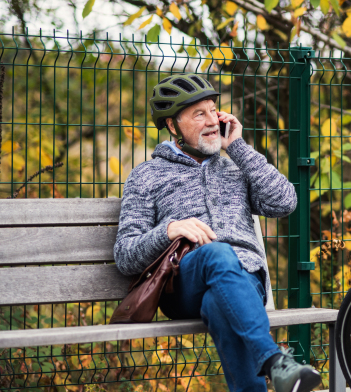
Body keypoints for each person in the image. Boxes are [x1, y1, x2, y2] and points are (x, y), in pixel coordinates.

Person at [114, 73, 321, 392]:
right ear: (173, 125)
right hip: (183, 284)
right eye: (199, 114)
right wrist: (169, 230)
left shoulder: (234, 167)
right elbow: (126, 256)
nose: (212, 120)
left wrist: (237, 147)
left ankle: (274, 373)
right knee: (216, 253)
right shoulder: (147, 176)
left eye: (214, 110)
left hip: (244, 282)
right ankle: (273, 361)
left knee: (218, 305)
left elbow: (285, 202)